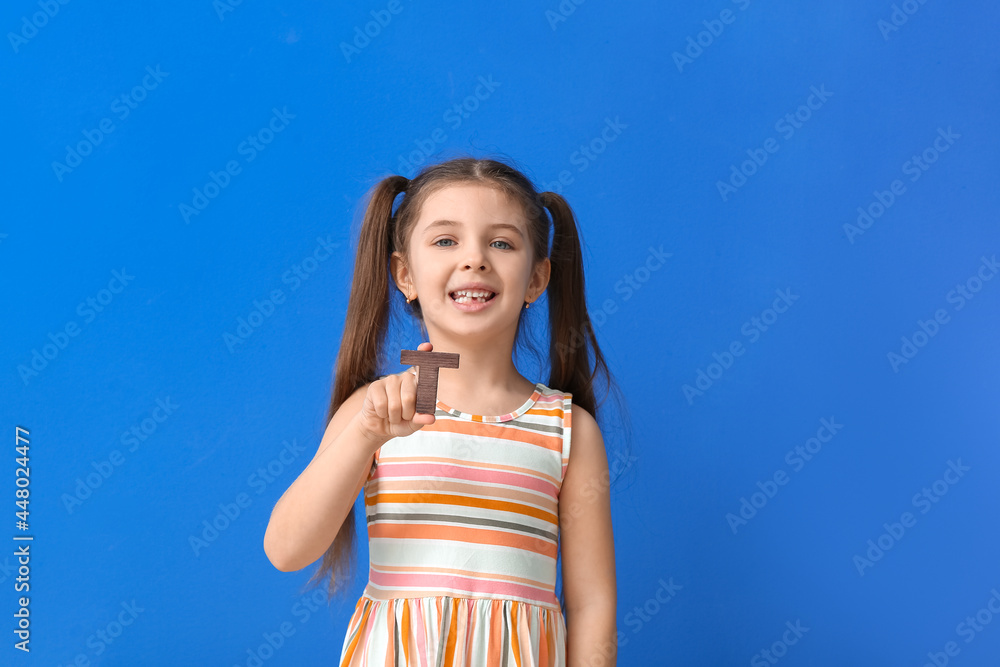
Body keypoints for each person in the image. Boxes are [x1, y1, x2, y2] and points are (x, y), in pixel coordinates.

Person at [263, 155, 625, 666]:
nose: (475, 258)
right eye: (446, 240)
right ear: (404, 275)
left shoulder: (568, 430)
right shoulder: (375, 412)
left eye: (501, 242)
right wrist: (365, 436)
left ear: (537, 280)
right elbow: (286, 549)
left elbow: (592, 604)